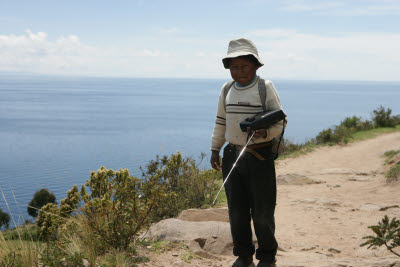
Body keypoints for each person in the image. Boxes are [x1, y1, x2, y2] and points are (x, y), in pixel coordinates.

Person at [210, 38, 286, 267]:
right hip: (232, 155)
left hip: (259, 156)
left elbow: (280, 121)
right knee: (237, 211)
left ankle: (267, 256)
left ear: (255, 65)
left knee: (262, 211)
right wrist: (215, 149)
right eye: (234, 67)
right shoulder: (226, 89)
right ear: (229, 68)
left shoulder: (265, 87)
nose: (239, 71)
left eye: (244, 66)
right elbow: (221, 121)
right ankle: (243, 256)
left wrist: (266, 132)